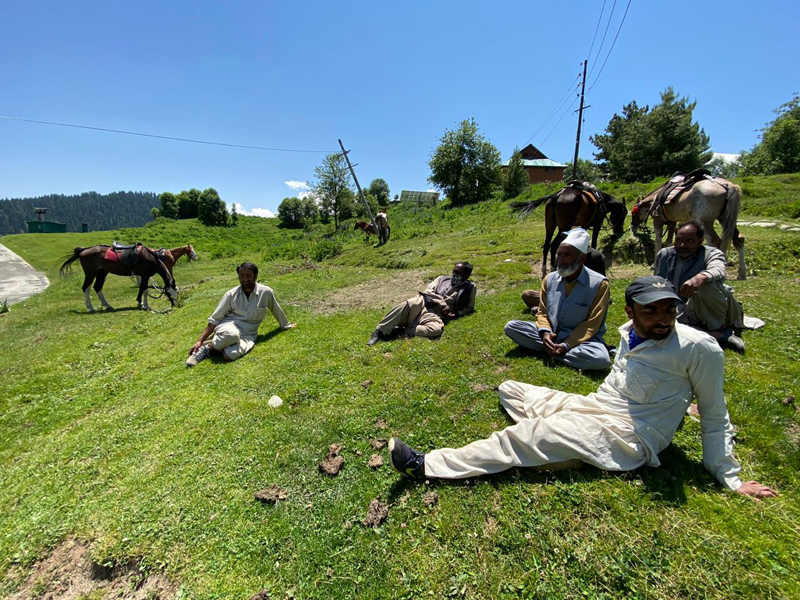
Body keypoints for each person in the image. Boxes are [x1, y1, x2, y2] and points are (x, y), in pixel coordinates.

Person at [387, 276, 777, 501]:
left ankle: (428, 465)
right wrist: (574, 410)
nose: (663, 319)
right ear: (630, 312)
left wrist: (730, 477)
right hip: (595, 407)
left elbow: (714, 412)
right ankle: (570, 449)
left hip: (631, 433)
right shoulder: (627, 333)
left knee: (529, 434)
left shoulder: (698, 347)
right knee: (510, 387)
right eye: (652, 310)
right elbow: (616, 380)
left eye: (669, 309)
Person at [505, 228, 611, 371]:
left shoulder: (600, 284)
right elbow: (542, 312)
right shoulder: (550, 279)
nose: (560, 259)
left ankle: (554, 351)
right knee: (511, 327)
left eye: (566, 255)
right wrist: (545, 333)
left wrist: (567, 344)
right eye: (559, 254)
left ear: (582, 259)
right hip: (553, 334)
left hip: (583, 341)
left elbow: (593, 324)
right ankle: (555, 349)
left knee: (601, 360)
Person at [654, 220, 745, 353]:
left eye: (690, 241)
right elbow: (658, 282)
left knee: (705, 286)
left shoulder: (711, 253)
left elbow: (718, 269)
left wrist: (701, 277)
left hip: (711, 308)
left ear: (700, 241)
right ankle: (715, 335)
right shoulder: (664, 255)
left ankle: (718, 329)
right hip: (681, 310)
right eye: (679, 239)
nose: (682, 245)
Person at [186, 262, 296, 367]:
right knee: (231, 334)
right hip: (229, 326)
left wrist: (286, 326)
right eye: (241, 276)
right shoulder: (231, 295)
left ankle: (219, 342)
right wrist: (199, 341)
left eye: (248, 275)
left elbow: (276, 309)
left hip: (249, 334)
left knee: (229, 355)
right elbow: (214, 319)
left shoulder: (266, 292)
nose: (244, 279)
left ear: (255, 276)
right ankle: (204, 350)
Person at [367, 262, 476, 345]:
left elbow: (469, 308)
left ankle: (403, 330)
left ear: (467, 275)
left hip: (436, 314)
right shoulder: (441, 279)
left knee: (435, 330)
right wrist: (443, 304)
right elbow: (428, 291)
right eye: (454, 271)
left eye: (458, 273)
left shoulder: (470, 287)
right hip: (424, 302)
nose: (455, 274)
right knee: (408, 303)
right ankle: (379, 331)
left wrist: (457, 313)